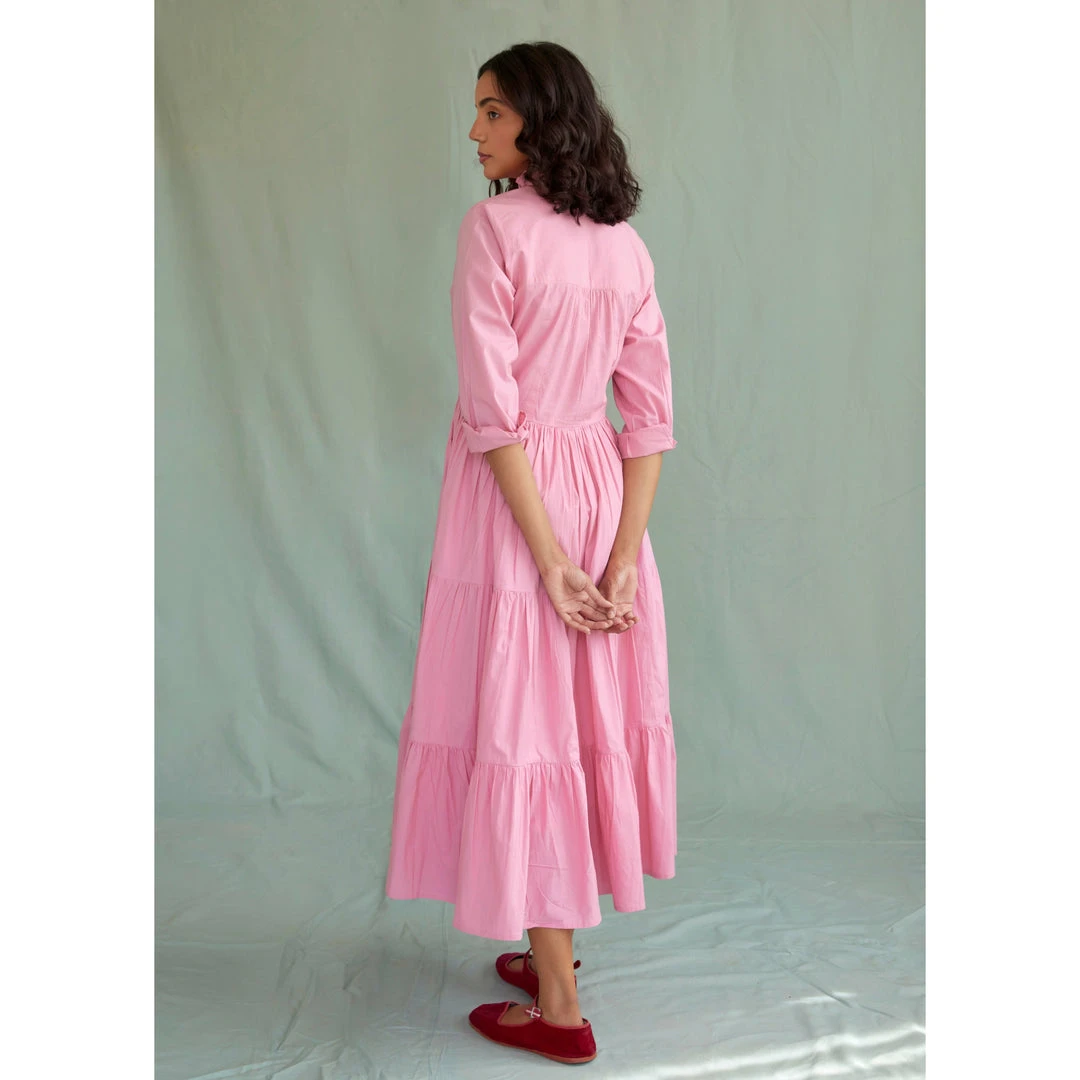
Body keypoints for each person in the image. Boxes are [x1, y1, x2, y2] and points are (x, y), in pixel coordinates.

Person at [385, 42, 678, 1065]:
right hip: (600, 489)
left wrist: (550, 560)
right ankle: (551, 945)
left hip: (518, 502)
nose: (474, 131)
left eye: (493, 112)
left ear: (541, 119)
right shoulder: (625, 247)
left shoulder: (493, 230)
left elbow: (493, 415)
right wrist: (623, 556)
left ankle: (557, 1004)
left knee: (525, 724)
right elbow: (648, 422)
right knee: (574, 721)